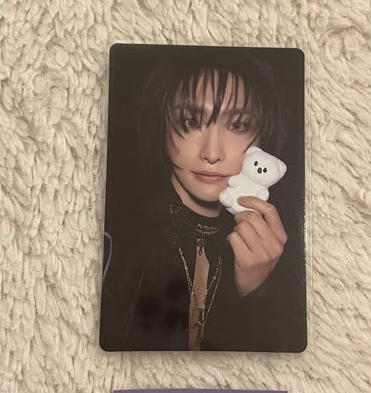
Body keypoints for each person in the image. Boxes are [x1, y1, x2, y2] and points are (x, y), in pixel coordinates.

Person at [100, 46, 304, 352]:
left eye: (238, 125)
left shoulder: (280, 253)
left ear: (263, 136)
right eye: (191, 121)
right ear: (161, 124)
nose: (212, 153)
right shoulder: (116, 238)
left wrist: (255, 290)